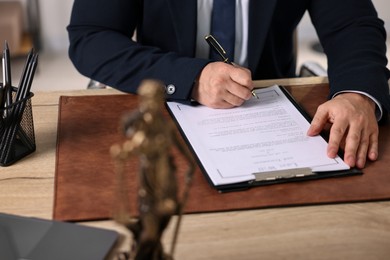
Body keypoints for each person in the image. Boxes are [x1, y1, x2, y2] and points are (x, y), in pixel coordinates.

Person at [67, 0, 390, 169]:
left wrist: (356, 94)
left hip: (270, 118)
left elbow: (353, 23)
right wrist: (192, 78)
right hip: (164, 112)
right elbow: (91, 36)